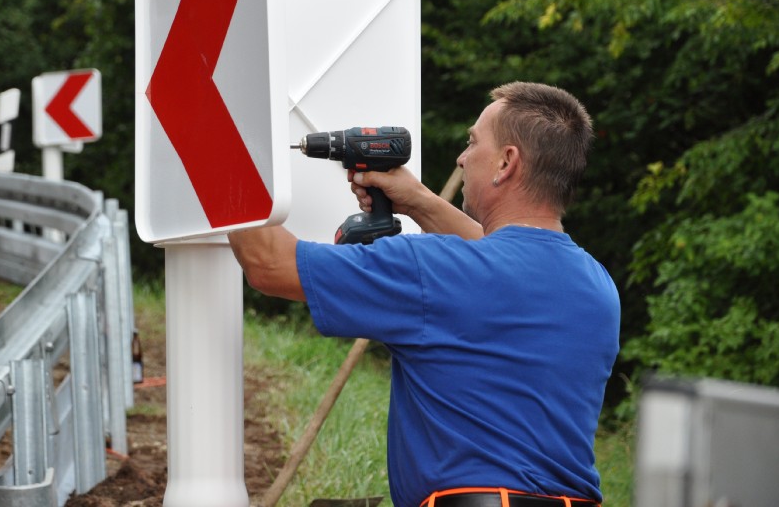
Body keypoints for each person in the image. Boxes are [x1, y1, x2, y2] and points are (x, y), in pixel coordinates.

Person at [228, 82, 620, 507]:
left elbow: (268, 262)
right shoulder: (597, 286)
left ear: (506, 162)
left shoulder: (430, 270)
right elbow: (498, 258)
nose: (462, 157)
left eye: (472, 143)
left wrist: (224, 144)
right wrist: (416, 200)